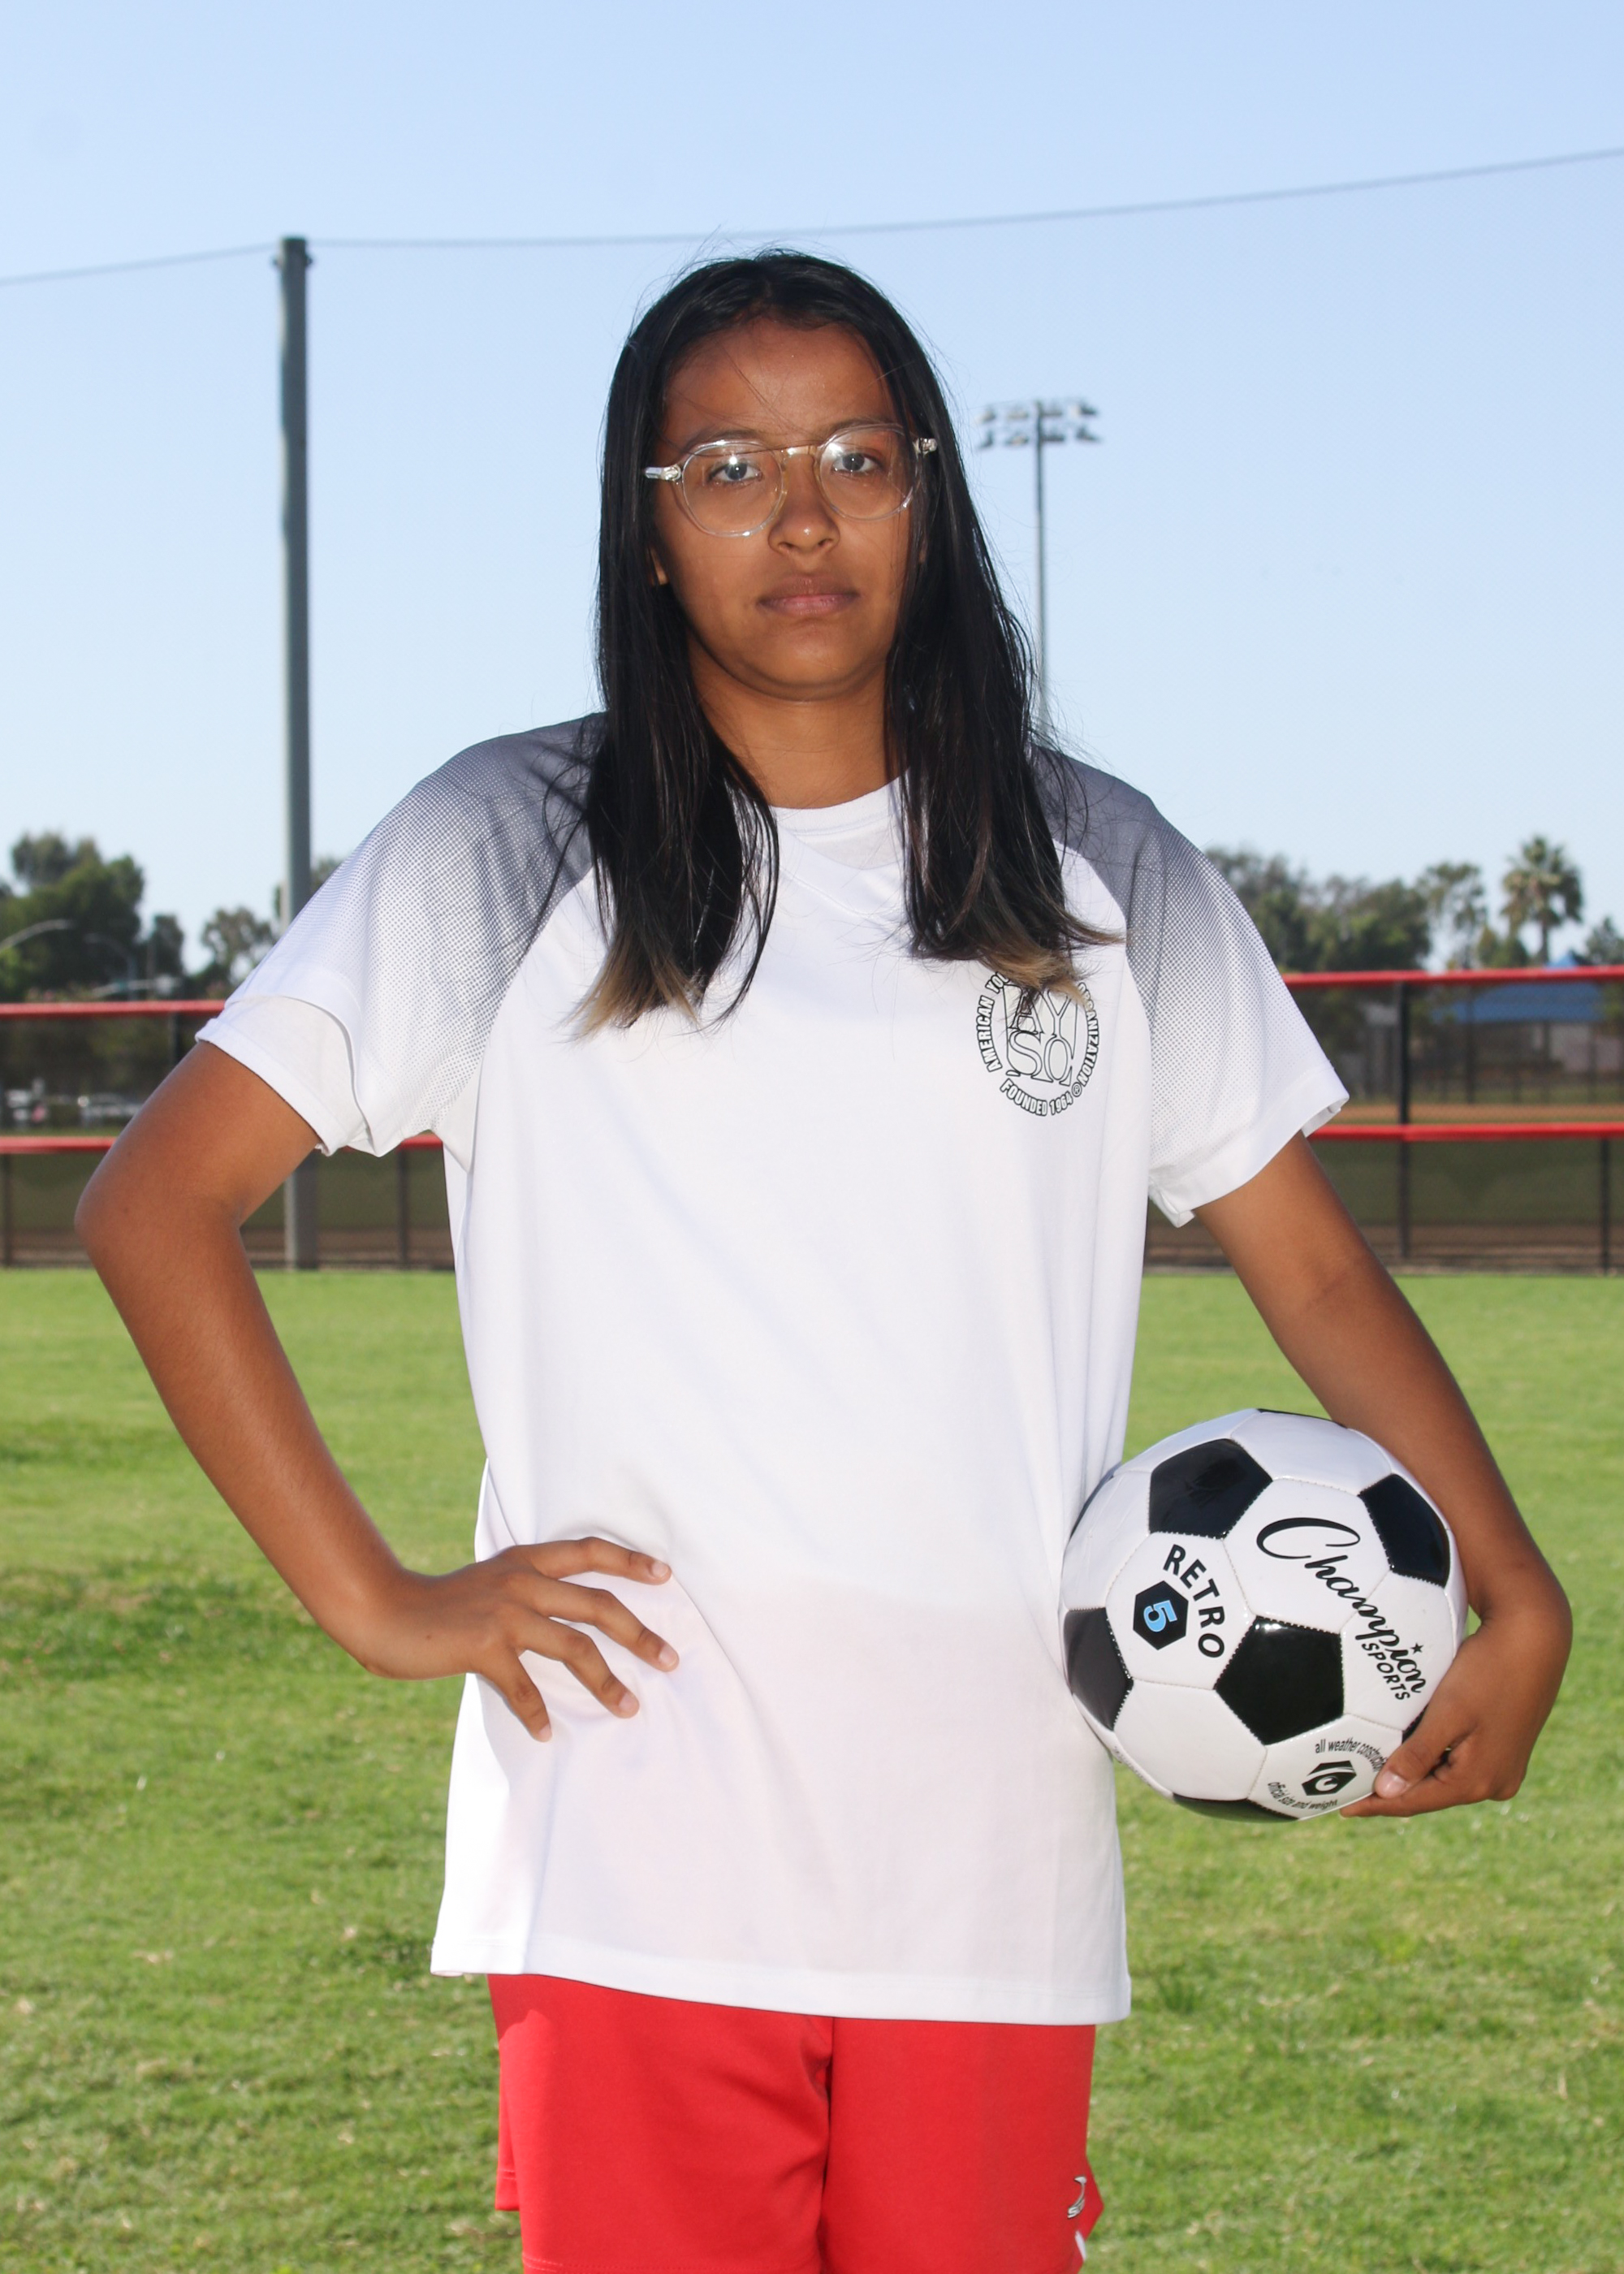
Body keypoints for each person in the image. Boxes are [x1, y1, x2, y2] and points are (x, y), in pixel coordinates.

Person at [78, 252, 1570, 2274]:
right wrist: (376, 1597)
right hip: (630, 1861)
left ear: (928, 497)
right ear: (646, 523)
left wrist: (1511, 1579)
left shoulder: (1097, 862)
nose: (800, 517)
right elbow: (155, 1202)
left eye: (857, 457)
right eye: (729, 467)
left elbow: (1307, 1270)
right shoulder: (508, 841)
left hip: (990, 1865)